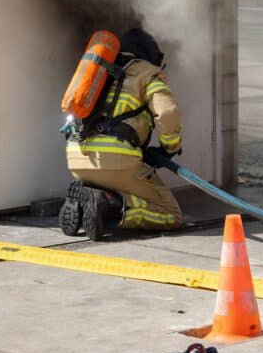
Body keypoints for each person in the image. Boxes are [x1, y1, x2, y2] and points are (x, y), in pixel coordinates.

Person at [60, 28, 184, 240]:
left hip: (76, 156)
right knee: (170, 213)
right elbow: (167, 112)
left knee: (112, 180)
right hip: (116, 160)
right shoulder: (148, 73)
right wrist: (168, 148)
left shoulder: (101, 69)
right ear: (150, 55)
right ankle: (112, 205)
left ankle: (85, 201)